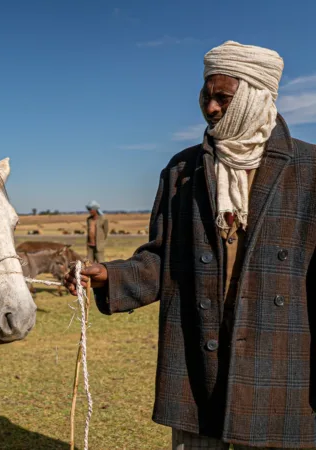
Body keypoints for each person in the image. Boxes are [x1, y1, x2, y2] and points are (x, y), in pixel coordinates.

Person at [65, 41, 316, 449]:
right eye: (206, 95)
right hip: (200, 360)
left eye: (223, 97)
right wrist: (110, 275)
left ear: (255, 97)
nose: (211, 108)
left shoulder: (309, 171)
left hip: (281, 362)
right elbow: (162, 259)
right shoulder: (183, 170)